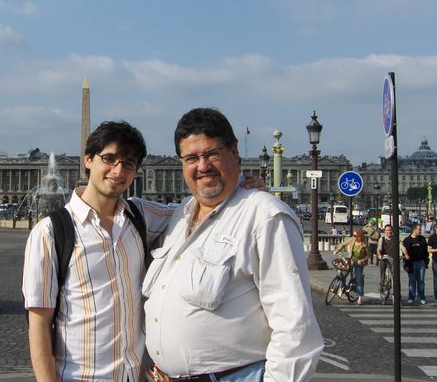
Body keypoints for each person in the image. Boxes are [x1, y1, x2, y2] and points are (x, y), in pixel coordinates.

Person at [22, 120, 265, 381]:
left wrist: (237, 185)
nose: (118, 170)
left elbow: (196, 208)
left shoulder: (140, 216)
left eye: (128, 163)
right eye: (109, 158)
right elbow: (38, 326)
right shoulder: (50, 233)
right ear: (88, 160)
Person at [142, 108, 323, 382]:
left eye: (212, 153)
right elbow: (119, 211)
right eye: (191, 158)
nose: (202, 166)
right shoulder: (180, 214)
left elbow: (295, 328)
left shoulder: (264, 216)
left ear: (234, 151)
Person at [333, 229, 370, 305]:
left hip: (359, 262)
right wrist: (337, 250)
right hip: (351, 260)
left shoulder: (365, 244)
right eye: (353, 235)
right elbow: (343, 244)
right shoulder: (352, 240)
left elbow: (369, 255)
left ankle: (359, 297)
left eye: (355, 235)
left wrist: (362, 260)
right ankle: (341, 288)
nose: (353, 236)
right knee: (343, 273)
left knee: (358, 279)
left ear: (360, 236)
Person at [402, 223, 429, 305]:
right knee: (412, 281)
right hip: (411, 263)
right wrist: (406, 265)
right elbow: (404, 252)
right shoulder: (407, 240)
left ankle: (421, 297)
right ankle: (411, 297)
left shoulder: (422, 239)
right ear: (414, 230)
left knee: (421, 281)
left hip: (421, 262)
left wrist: (426, 262)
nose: (420, 231)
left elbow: (425, 251)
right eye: (419, 229)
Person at [427, 222, 437, 305]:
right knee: (436, 280)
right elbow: (429, 250)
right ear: (435, 229)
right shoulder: (432, 238)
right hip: (436, 260)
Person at [377, 225, 397, 291]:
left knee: (395, 277)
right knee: (382, 264)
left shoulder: (395, 239)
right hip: (384, 258)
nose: (389, 232)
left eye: (390, 230)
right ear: (385, 231)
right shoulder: (382, 239)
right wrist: (379, 255)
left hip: (393, 259)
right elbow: (379, 248)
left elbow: (401, 247)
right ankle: (382, 281)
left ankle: (397, 294)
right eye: (387, 230)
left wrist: (405, 254)